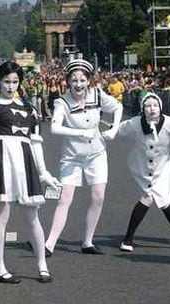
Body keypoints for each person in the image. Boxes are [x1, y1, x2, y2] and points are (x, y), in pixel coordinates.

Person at [0, 61, 60, 284]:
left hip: (25, 163)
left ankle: (42, 265)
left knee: (32, 216)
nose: (11, 86)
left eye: (15, 82)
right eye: (7, 81)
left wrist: (45, 172)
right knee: (1, 215)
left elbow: (36, 143)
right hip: (0, 162)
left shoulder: (29, 110)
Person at [44, 59, 123, 256]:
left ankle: (87, 242)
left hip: (96, 154)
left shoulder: (97, 94)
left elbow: (117, 108)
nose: (78, 85)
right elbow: (55, 127)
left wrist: (114, 128)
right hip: (72, 157)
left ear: (89, 80)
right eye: (74, 80)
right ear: (68, 82)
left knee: (98, 196)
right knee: (65, 199)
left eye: (82, 80)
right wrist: (79, 133)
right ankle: (49, 244)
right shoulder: (61, 102)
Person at [116, 93, 170, 252]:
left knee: (156, 198)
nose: (152, 109)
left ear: (160, 107)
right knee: (155, 198)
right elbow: (119, 131)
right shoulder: (135, 123)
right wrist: (108, 132)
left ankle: (128, 240)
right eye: (148, 106)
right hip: (142, 166)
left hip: (162, 166)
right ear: (143, 108)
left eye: (155, 105)